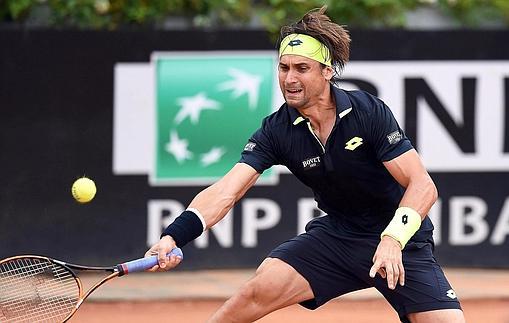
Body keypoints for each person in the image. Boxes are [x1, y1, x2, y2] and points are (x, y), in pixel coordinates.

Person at [146, 6, 465, 323]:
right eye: (283, 68)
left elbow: (423, 185)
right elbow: (226, 191)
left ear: (327, 71)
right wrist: (173, 236)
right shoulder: (276, 130)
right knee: (259, 288)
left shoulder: (367, 112)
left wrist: (393, 238)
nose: (289, 78)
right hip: (338, 238)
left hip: (400, 240)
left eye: (302, 68)